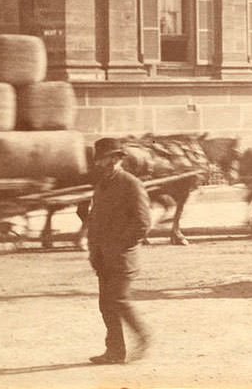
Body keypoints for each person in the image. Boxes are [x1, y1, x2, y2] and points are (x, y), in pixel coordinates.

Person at [86, 137, 152, 364]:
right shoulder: (102, 184)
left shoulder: (130, 183)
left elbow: (143, 223)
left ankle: (143, 336)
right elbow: (96, 219)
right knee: (106, 305)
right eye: (99, 160)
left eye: (105, 159)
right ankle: (114, 352)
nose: (100, 164)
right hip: (103, 257)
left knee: (118, 300)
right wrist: (94, 248)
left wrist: (119, 245)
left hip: (123, 257)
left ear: (116, 159)